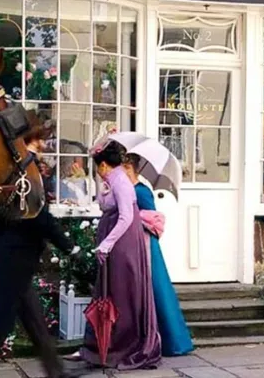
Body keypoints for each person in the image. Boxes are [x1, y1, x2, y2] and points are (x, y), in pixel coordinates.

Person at [0, 127, 82, 378]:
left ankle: (56, 372)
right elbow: (39, 219)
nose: (43, 144)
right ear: (26, 142)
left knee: (34, 322)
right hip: (11, 262)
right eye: (39, 139)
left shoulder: (9, 171)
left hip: (11, 261)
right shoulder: (21, 173)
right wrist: (69, 246)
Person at [79, 141, 161, 370]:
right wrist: (100, 185)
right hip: (118, 245)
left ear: (103, 165)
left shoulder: (122, 183)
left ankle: (127, 344)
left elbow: (125, 217)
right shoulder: (113, 181)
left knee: (124, 291)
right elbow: (104, 205)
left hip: (124, 246)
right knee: (113, 291)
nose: (97, 171)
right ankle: (107, 345)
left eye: (97, 168)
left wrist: (107, 243)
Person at [123, 154, 194, 357]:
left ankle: (173, 341)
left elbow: (153, 218)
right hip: (135, 242)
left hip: (145, 243)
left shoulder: (141, 191)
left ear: (130, 168)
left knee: (157, 289)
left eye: (124, 168)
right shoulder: (128, 190)